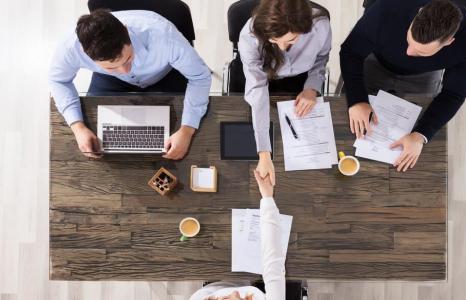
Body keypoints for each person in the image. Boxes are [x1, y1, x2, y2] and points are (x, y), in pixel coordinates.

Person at [340, 0, 466, 172]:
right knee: (346, 125)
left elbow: (453, 94)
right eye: (409, 40)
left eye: (421, 52)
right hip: (375, 61)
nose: (408, 52)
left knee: (415, 139)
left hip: (423, 76)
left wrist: (420, 135)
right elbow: (351, 52)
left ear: (448, 42)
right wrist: (357, 101)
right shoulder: (385, 9)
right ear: (419, 13)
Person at [49, 9, 212, 160]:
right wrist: (78, 127)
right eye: (112, 66)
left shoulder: (163, 35)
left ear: (126, 31)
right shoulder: (70, 48)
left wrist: (187, 129)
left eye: (128, 58)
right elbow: (58, 80)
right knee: (98, 140)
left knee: (189, 144)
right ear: (85, 54)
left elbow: (200, 77)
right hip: (110, 81)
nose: (125, 70)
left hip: (166, 74)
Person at [239, 0, 332, 185]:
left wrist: (312, 87)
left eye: (291, 40)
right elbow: (257, 90)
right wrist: (264, 153)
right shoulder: (249, 36)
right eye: (274, 40)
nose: (282, 48)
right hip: (265, 77)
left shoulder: (320, 25)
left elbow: (321, 57)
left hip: (302, 79)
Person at [189, 170, 285, 300]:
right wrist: (267, 197)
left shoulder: (198, 298)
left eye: (225, 299)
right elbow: (273, 261)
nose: (235, 293)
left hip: (216, 285)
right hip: (248, 281)